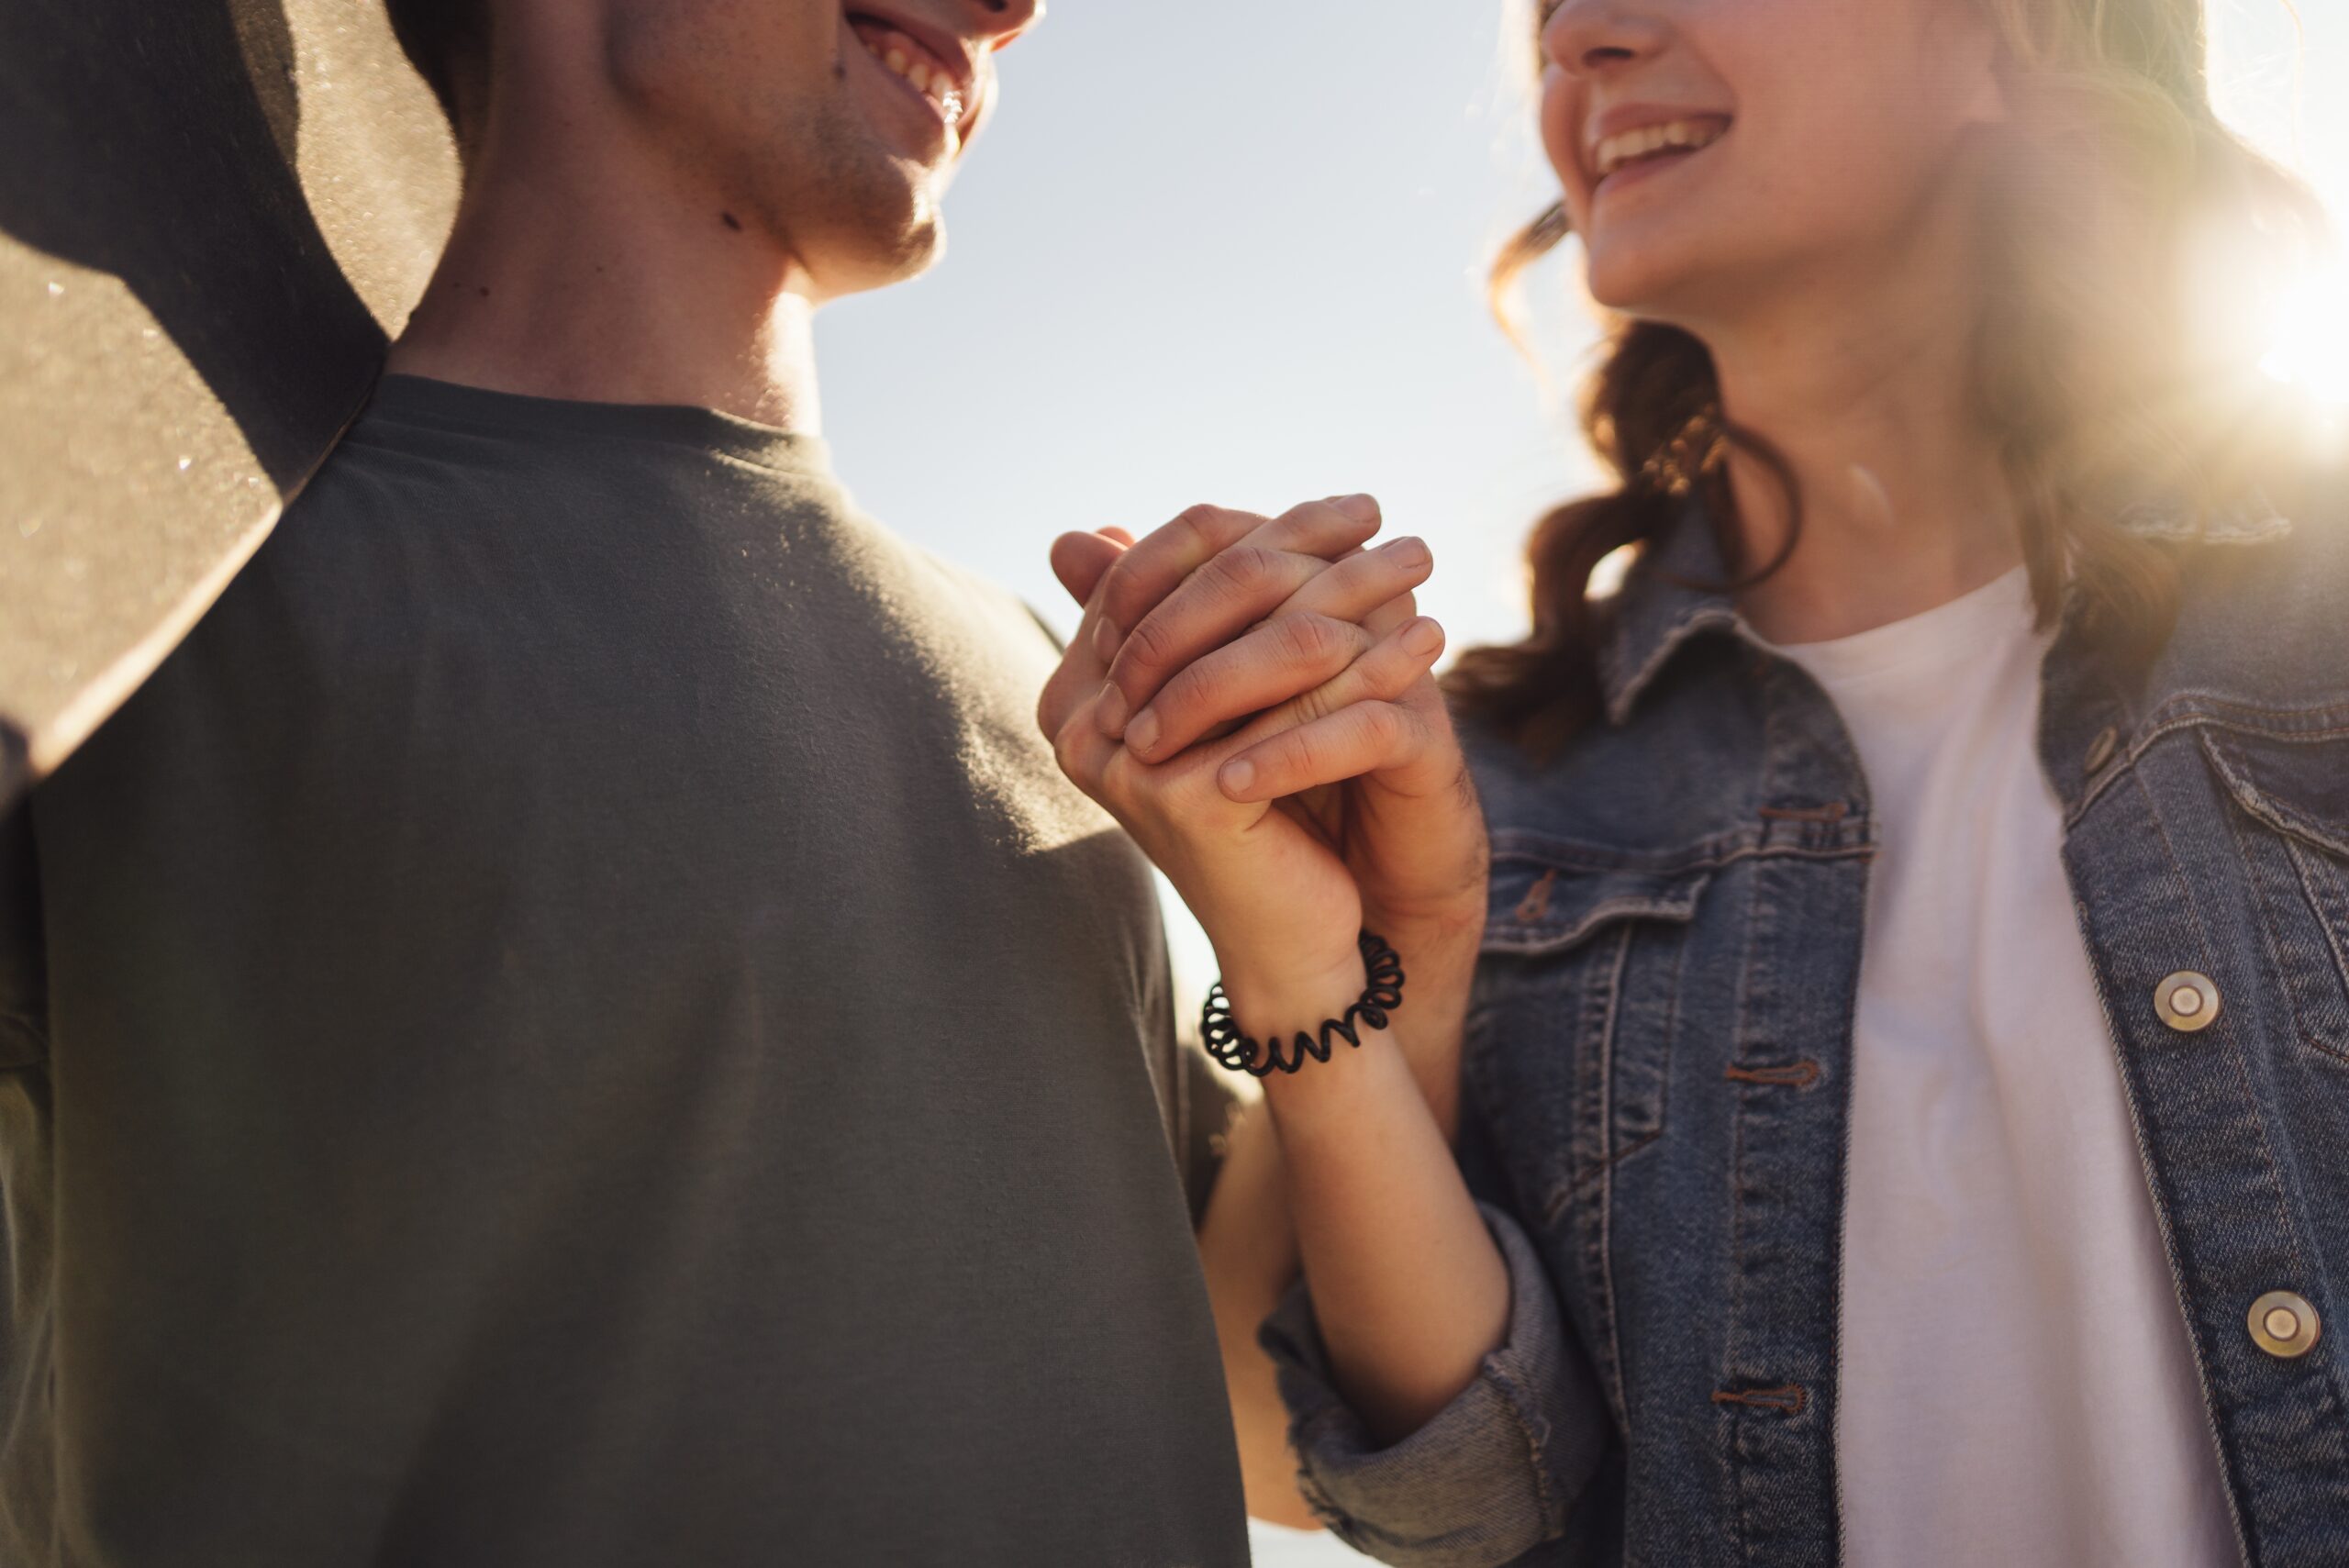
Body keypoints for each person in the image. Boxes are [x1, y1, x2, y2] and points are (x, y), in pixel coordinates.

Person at [0, 2, 1345, 1562]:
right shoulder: (132, 588)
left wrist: (1373, 945)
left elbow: (1278, 1428)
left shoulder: (1059, 680)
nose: (1015, 6)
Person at [1041, 0, 2349, 1562]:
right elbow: (1296, 1454)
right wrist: (1338, 969)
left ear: (2020, 39)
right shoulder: (1500, 777)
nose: (1580, 36)